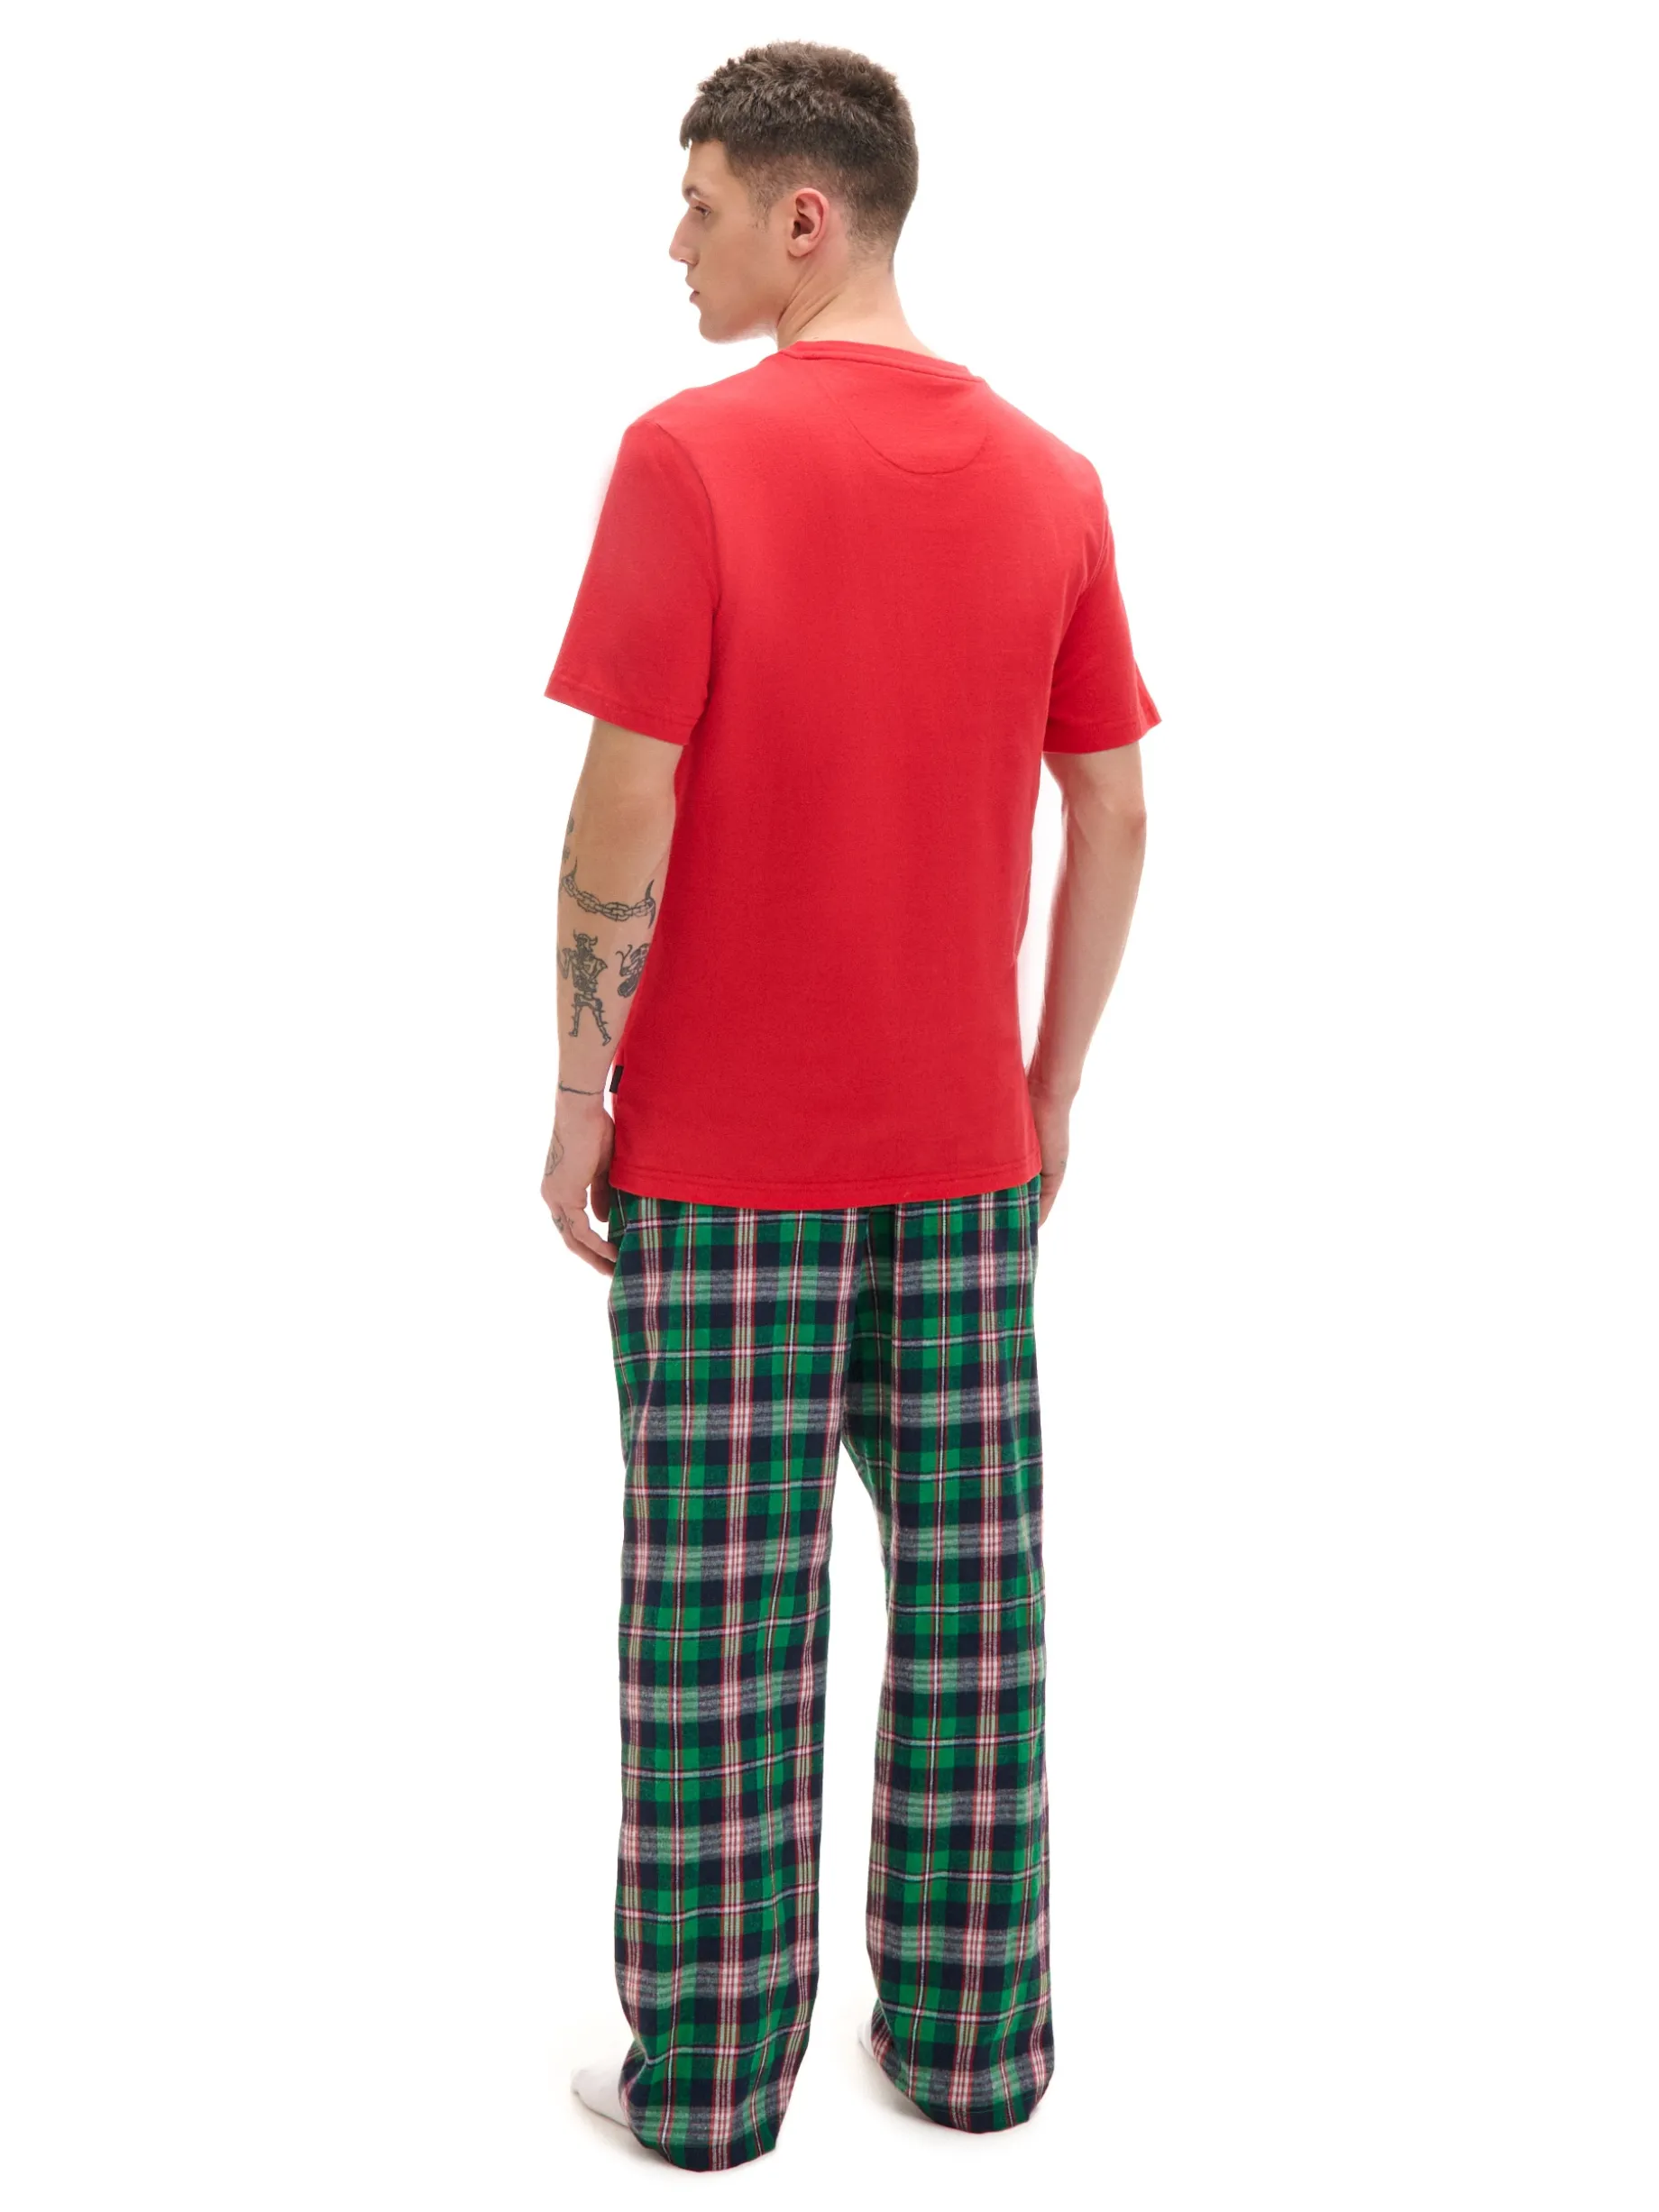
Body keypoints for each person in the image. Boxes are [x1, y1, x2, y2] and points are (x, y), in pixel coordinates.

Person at [541, 40, 1159, 2173]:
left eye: (701, 201)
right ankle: (972, 2056)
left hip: (721, 1164)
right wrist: (1047, 1088)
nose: (675, 241)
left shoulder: (687, 459)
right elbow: (1114, 809)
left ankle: (712, 2090)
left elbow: (622, 801)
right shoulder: (1053, 478)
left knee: (717, 1629)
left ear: (806, 217)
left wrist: (574, 1081)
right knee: (976, 1616)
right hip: (962, 1158)